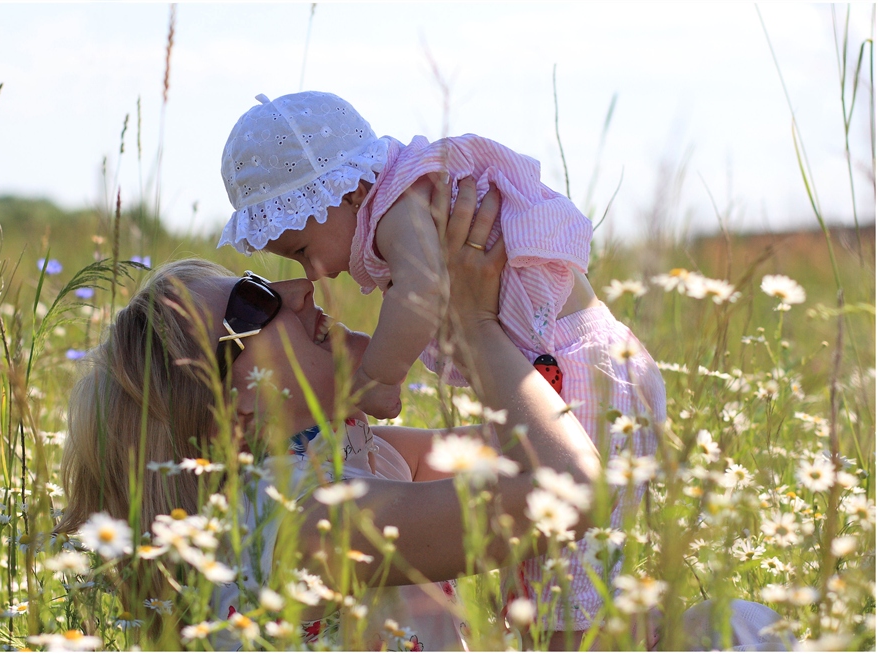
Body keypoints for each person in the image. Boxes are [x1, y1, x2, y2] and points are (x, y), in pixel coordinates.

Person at [55, 186, 602, 650]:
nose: (298, 289)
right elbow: (570, 490)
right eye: (253, 303)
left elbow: (555, 440)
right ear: (232, 408)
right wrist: (477, 325)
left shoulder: (350, 456)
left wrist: (531, 297)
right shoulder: (305, 523)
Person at [217, 90, 667, 644]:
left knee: (570, 604)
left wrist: (381, 380)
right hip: (581, 367)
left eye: (304, 248)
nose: (311, 276)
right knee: (566, 585)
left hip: (577, 368)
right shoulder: (304, 509)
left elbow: (423, 290)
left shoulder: (397, 208)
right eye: (255, 302)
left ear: (350, 190)